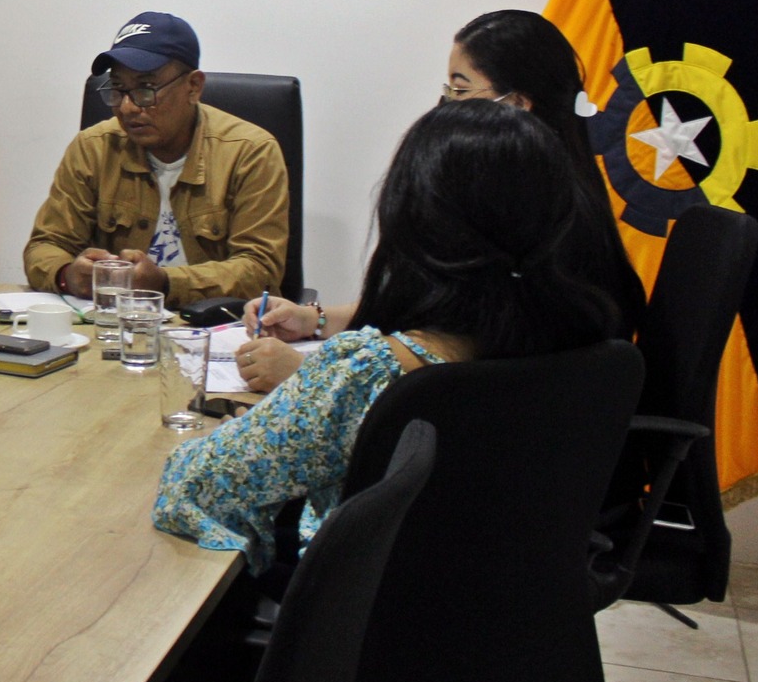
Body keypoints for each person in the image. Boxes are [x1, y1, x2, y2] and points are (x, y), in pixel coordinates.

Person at [152, 98, 623, 564]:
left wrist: (252, 428)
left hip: (363, 607)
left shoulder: (369, 374)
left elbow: (191, 486)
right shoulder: (589, 347)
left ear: (413, 220)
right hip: (523, 602)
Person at [232, 9, 648, 392]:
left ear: (516, 106)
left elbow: (463, 356)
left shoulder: (546, 226)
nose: (444, 107)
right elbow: (433, 307)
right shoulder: (528, 195)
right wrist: (316, 319)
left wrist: (311, 378)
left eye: (460, 90)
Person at [22, 12, 288, 305]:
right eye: (118, 89)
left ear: (193, 87)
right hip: (114, 322)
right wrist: (67, 275)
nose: (127, 107)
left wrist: (165, 283)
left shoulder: (250, 151)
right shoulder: (93, 148)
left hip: (213, 325)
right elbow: (45, 246)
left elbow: (260, 270)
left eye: (145, 89)